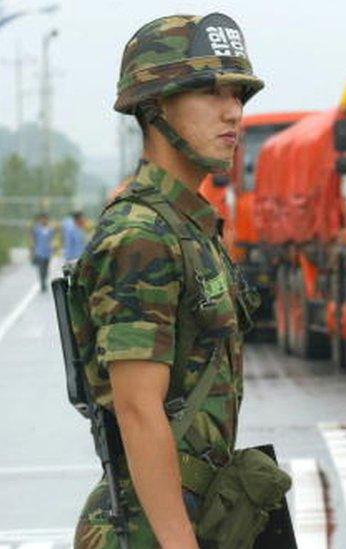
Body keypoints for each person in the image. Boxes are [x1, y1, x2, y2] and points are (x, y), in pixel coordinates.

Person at [71, 13, 268, 548]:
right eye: (209, 93)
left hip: (202, 511)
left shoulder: (189, 225)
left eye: (238, 95)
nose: (233, 112)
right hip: (153, 527)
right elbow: (137, 408)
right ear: (155, 108)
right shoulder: (142, 235)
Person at [30, 212, 54, 292]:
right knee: (41, 269)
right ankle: (42, 283)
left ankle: (44, 280)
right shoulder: (37, 229)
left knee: (46, 269)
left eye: (46, 219)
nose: (44, 220)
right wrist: (32, 252)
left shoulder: (50, 229)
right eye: (43, 219)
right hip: (39, 252)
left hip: (47, 252)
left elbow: (52, 240)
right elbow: (33, 240)